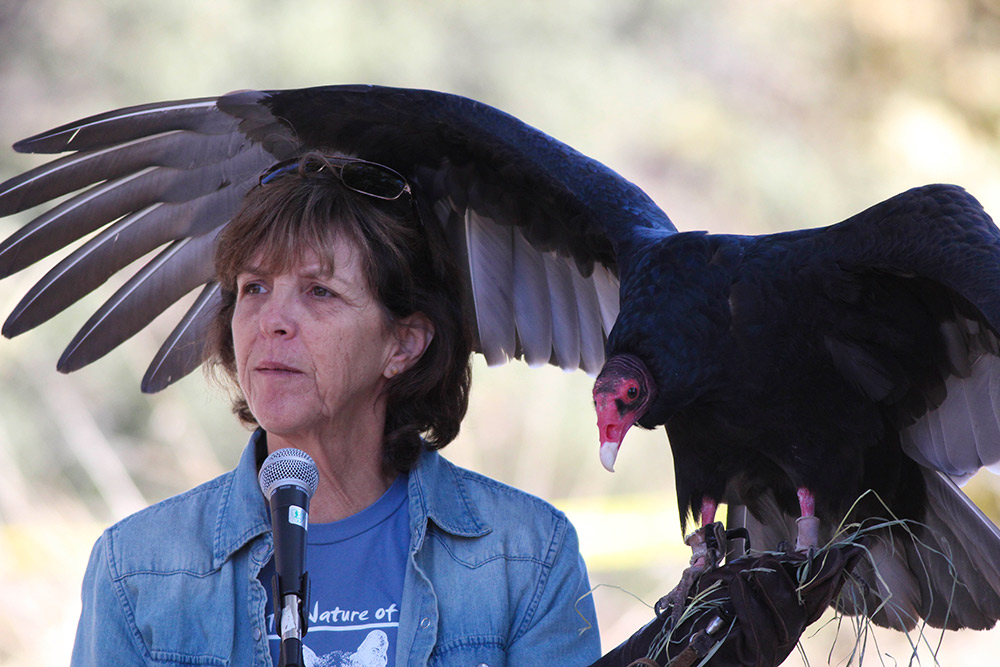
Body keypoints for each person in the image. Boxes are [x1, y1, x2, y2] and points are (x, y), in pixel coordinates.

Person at [70, 152, 601, 666]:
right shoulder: (137, 570)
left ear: (403, 344)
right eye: (253, 288)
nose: (271, 321)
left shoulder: (526, 557)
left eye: (319, 292)